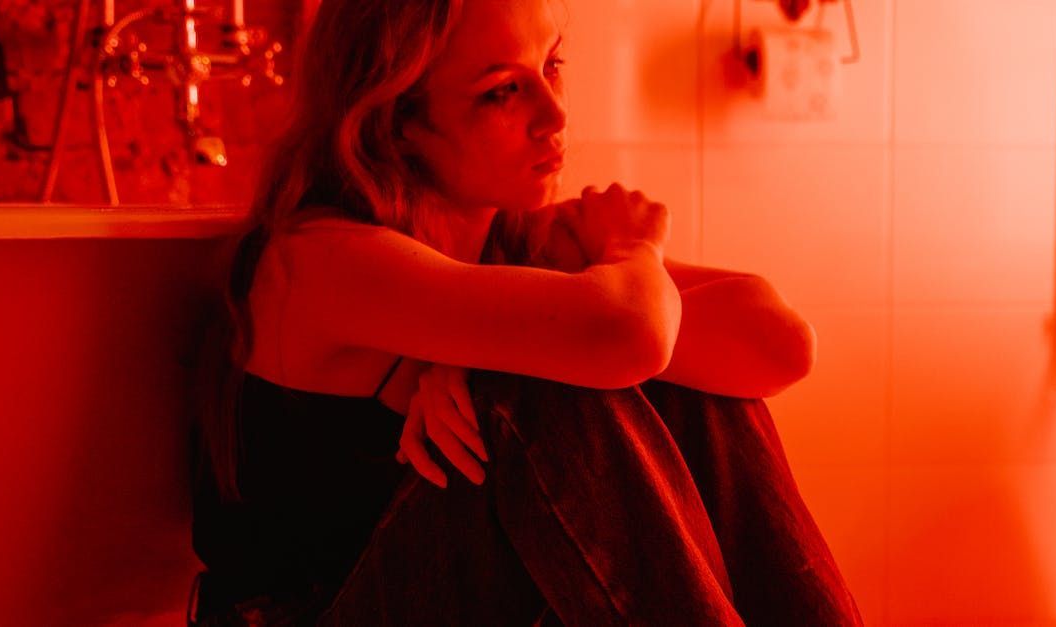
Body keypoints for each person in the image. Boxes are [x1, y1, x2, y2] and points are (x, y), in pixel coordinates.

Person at [187, 0, 858, 625]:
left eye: (552, 67)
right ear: (395, 127)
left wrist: (475, 357)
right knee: (546, 384)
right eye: (503, 90)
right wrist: (633, 248)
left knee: (692, 382)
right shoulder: (320, 259)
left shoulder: (519, 241)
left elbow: (782, 344)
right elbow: (628, 332)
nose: (556, 115)